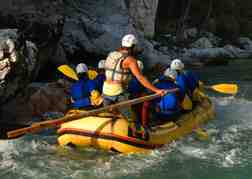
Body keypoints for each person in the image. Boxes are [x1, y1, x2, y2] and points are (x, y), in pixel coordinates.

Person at [102, 34, 166, 106]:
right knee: (129, 117)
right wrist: (157, 90)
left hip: (105, 90)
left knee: (108, 113)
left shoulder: (111, 54)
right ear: (133, 46)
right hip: (118, 92)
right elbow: (141, 78)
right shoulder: (131, 60)